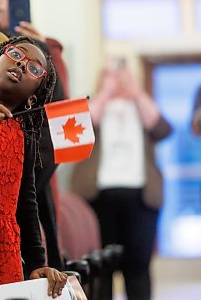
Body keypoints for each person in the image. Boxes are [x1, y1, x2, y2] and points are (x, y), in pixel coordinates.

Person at [0, 36, 67, 298]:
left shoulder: (22, 136)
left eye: (34, 69)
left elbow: (26, 203)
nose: (21, 65)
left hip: (2, 249)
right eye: (16, 55)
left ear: (33, 98)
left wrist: (36, 264)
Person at [71, 63, 172, 300]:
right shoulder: (95, 105)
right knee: (101, 267)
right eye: (111, 74)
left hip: (141, 196)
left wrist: (136, 93)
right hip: (98, 195)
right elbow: (80, 126)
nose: (118, 80)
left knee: (138, 265)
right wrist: (105, 92)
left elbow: (162, 129)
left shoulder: (141, 106)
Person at [0, 0, 68, 269]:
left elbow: (62, 112)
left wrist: (47, 53)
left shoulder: (42, 50)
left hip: (33, 181)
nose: (1, 1)